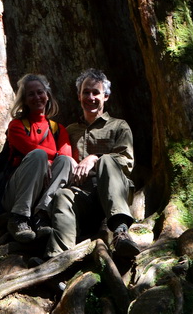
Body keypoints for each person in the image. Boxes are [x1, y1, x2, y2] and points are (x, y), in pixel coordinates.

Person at [45, 68, 140, 258]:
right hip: (84, 197)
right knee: (63, 195)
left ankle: (121, 233)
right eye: (85, 92)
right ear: (79, 97)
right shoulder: (70, 130)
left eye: (95, 92)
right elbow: (56, 158)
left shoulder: (119, 126)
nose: (91, 97)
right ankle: (58, 259)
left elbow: (126, 162)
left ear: (105, 96)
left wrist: (94, 159)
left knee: (106, 160)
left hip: (113, 195)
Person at [1, 73, 76, 243]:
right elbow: (31, 149)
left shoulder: (58, 129)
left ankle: (42, 214)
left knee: (65, 162)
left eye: (40, 92)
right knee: (38, 155)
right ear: (24, 100)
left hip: (44, 192)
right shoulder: (17, 126)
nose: (37, 97)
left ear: (47, 96)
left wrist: (52, 161)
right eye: (31, 94)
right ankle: (19, 218)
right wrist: (49, 160)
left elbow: (66, 156)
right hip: (16, 194)